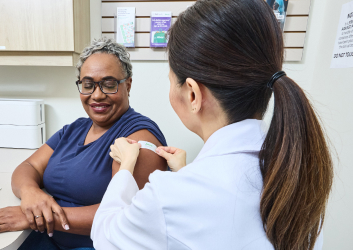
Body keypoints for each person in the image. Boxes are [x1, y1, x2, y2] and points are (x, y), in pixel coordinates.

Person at [91, 0, 333, 250]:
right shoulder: (295, 172)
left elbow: (104, 235)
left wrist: (126, 168)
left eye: (172, 80)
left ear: (193, 94)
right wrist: (186, 173)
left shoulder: (170, 196)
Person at [0, 38, 168, 250]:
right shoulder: (74, 129)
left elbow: (125, 215)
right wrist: (30, 192)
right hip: (49, 237)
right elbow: (29, 167)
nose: (97, 95)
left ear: (127, 85)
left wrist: (34, 217)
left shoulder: (138, 138)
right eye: (88, 85)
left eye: (109, 84)